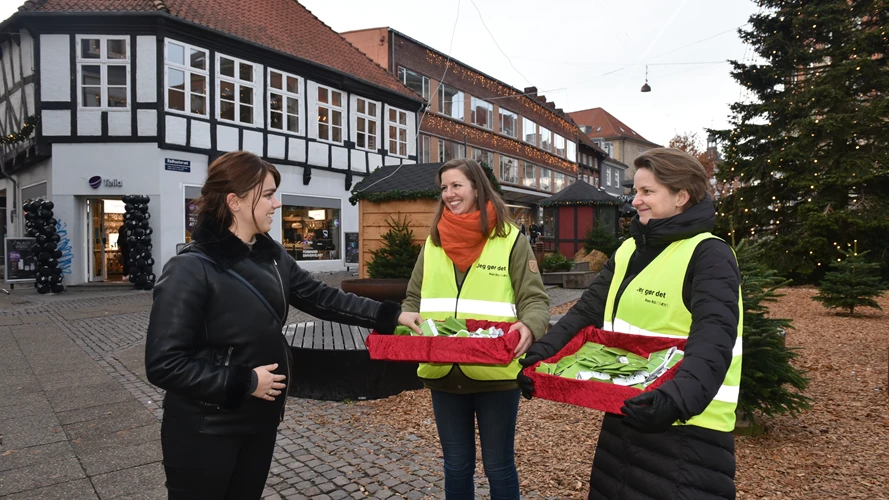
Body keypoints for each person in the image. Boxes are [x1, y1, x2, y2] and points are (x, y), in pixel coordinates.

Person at [145, 151, 421, 500]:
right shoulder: (189, 269)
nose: (277, 204)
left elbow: (324, 298)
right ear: (235, 201)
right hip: (205, 429)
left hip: (260, 420)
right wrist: (244, 381)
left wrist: (391, 315)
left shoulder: (271, 255)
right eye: (268, 195)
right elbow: (163, 364)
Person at [519, 148, 742, 500]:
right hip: (626, 414)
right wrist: (540, 357)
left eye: (647, 192)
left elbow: (714, 340)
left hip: (687, 431)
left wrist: (674, 401)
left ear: (681, 196)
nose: (635, 201)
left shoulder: (709, 254)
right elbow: (585, 314)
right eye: (635, 191)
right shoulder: (628, 251)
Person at [401, 158, 550, 499]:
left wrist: (530, 325)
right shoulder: (433, 242)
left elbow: (535, 301)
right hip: (441, 371)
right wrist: (407, 315)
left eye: (456, 186)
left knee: (498, 466)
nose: (449, 194)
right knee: (455, 465)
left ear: (477, 187)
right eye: (443, 188)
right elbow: (412, 297)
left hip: (495, 373)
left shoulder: (511, 240)